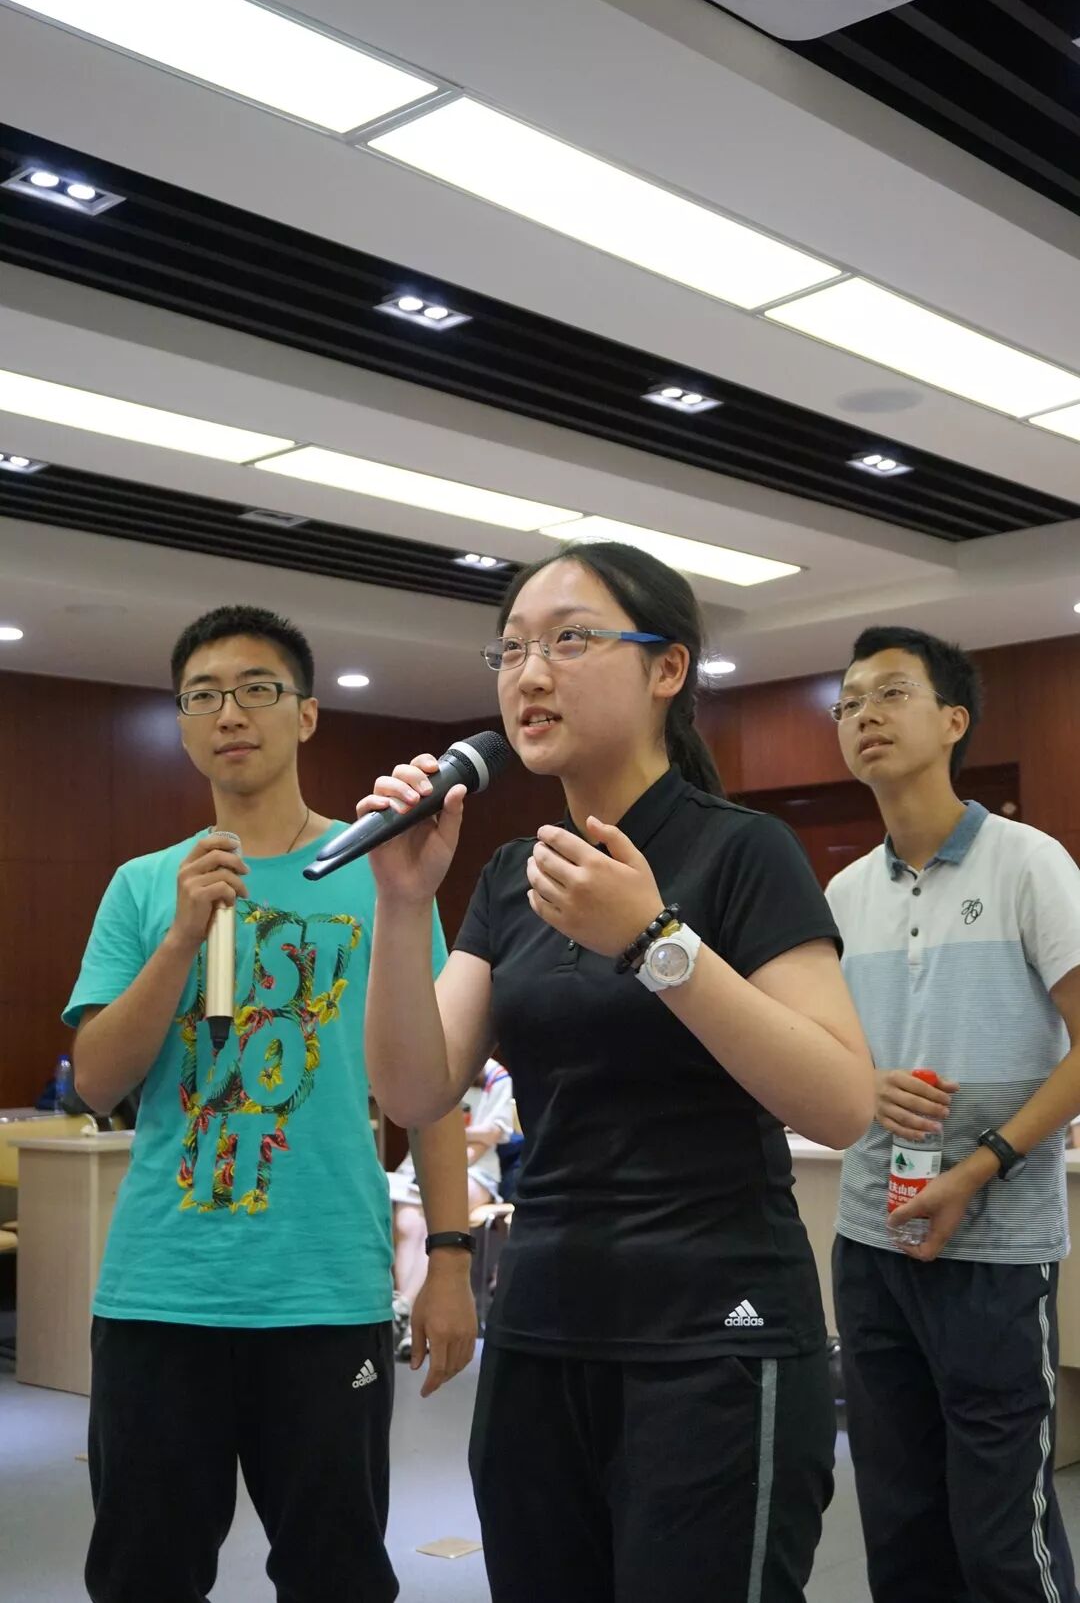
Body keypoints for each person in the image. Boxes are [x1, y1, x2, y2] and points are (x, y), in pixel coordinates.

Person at [360, 541, 874, 1603]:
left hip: (715, 1335)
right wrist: (402, 903)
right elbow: (414, 1093)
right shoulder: (515, 874)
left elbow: (840, 1102)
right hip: (542, 1329)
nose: (529, 674)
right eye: (511, 649)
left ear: (667, 669)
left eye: (570, 641)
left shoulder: (744, 852)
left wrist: (655, 942)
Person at [65, 605, 477, 1603]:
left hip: (325, 1290)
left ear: (306, 715)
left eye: (257, 689)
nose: (229, 713)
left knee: (337, 1574)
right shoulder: (145, 885)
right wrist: (179, 937)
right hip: (162, 1294)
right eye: (202, 696)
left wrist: (451, 1260)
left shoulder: (383, 875)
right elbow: (98, 1080)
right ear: (181, 724)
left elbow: (430, 1090)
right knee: (143, 1575)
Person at [826, 626, 1080, 1603]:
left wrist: (980, 1165)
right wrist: (865, 1081)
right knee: (899, 1526)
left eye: (891, 693)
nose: (865, 715)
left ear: (954, 721)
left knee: (1001, 1540)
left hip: (996, 1246)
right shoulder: (844, 893)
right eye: (850, 702)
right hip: (871, 1238)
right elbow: (831, 1058)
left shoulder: (1028, 863)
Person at [389, 1058, 513, 1358]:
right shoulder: (427, 1065)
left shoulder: (496, 1076)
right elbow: (412, 1123)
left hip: (475, 1172)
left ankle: (403, 1307)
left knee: (437, 1216)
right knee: (408, 1223)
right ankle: (409, 1327)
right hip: (418, 1168)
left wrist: (442, 1132)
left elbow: (491, 1136)